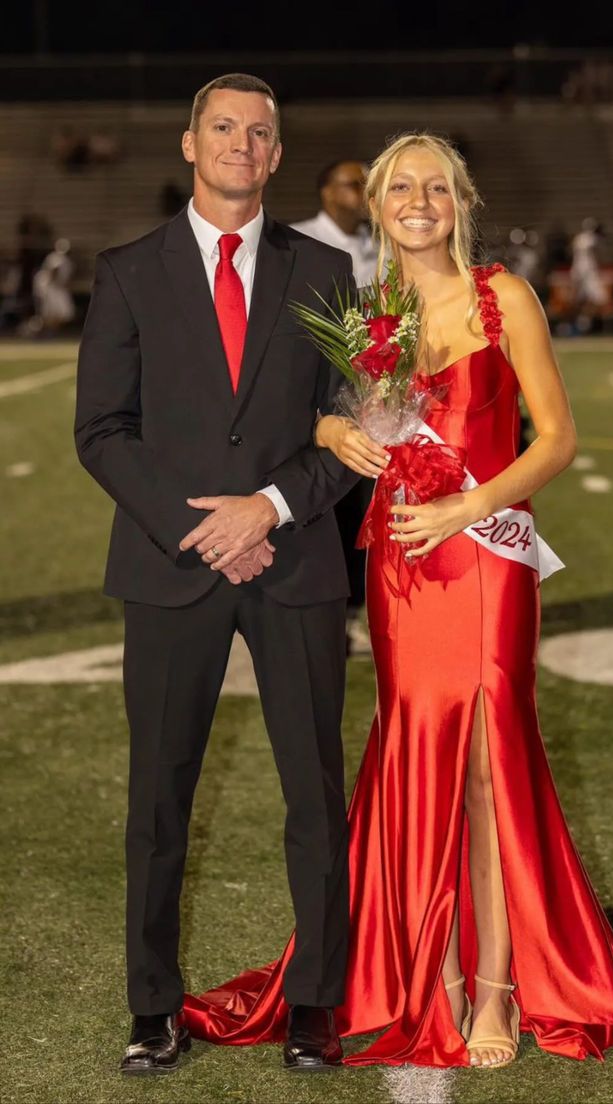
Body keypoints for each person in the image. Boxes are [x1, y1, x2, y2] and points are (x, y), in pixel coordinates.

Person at [184, 135, 613, 1067]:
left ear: (460, 200)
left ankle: (495, 989)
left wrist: (473, 503)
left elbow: (555, 438)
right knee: (414, 760)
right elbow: (329, 414)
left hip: (484, 556)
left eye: (436, 187)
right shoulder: (368, 313)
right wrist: (333, 427)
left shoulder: (504, 296)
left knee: (486, 766)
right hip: (402, 564)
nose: (418, 201)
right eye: (402, 187)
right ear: (379, 204)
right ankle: (429, 974)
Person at [75, 72, 358, 1076]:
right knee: (158, 798)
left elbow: (356, 424)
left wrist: (270, 508)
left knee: (314, 795)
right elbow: (101, 433)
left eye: (261, 132)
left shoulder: (325, 273)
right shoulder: (127, 272)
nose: (243, 143)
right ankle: (151, 1007)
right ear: (190, 145)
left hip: (294, 561)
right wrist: (200, 529)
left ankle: (318, 1003)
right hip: (171, 566)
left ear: (278, 156)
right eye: (224, 127)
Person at [292, 160, 379, 653]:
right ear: (326, 192)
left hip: (378, 397)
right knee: (331, 507)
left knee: (374, 506)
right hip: (322, 398)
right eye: (353, 183)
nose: (363, 191)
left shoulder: (381, 243)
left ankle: (366, 607)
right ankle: (331, 611)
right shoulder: (298, 241)